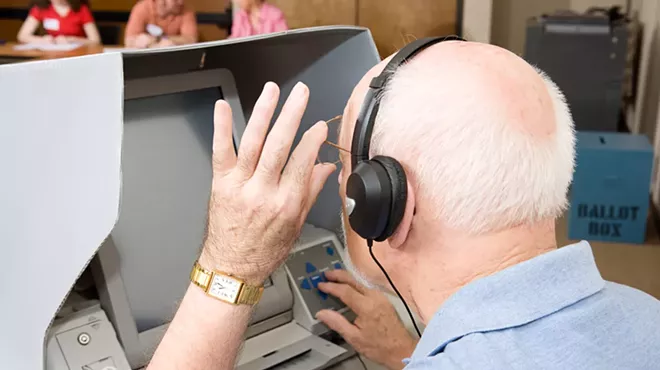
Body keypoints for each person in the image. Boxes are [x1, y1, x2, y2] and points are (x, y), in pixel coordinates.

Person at [145, 39, 660, 370]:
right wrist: (411, 354)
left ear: (383, 202)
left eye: (347, 163)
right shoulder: (648, 317)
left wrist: (231, 265)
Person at [17, 0, 100, 45]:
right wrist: (42, 40)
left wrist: (71, 40)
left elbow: (95, 40)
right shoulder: (40, 7)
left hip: (77, 54)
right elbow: (22, 36)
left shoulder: (81, 9)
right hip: (51, 54)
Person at [125, 0, 198, 49]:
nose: (181, 2)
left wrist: (158, 39)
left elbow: (191, 40)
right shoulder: (142, 8)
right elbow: (129, 41)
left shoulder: (186, 10)